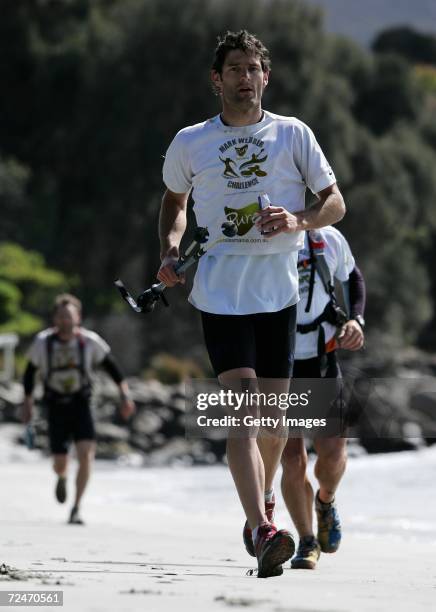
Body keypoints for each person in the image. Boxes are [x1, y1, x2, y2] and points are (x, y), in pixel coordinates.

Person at [157, 30, 346, 578]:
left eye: (253, 69)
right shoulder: (191, 141)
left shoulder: (293, 135)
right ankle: (262, 528)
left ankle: (262, 498)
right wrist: (171, 248)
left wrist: (299, 219)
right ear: (217, 80)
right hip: (219, 290)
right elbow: (174, 201)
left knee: (272, 414)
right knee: (241, 407)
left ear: (266, 77)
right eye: (234, 68)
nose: (245, 77)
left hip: (277, 292)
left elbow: (334, 202)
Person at [280, 227, 366, 569]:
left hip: (321, 358)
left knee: (332, 454)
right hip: (278, 362)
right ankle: (306, 540)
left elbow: (353, 276)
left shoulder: (327, 238)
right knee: (292, 459)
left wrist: (356, 319)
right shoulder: (257, 236)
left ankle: (325, 501)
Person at [21, 293, 135, 525]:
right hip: (55, 405)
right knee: (60, 460)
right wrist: (28, 402)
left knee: (86, 455)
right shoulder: (43, 343)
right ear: (55, 319)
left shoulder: (90, 342)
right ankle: (61, 476)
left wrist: (125, 395)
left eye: (69, 316)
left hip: (82, 404)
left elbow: (112, 368)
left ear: (78, 318)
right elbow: (29, 373)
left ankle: (76, 507)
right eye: (61, 316)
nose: (65, 321)